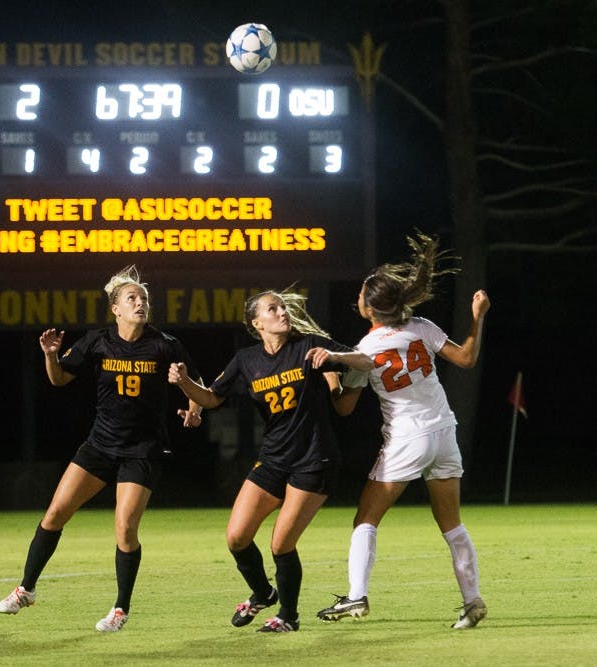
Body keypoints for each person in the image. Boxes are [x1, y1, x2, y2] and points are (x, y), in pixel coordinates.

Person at [0, 265, 203, 633]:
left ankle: (120, 609)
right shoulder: (97, 341)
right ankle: (26, 589)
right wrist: (50, 355)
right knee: (56, 512)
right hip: (100, 445)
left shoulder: (164, 343)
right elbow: (59, 378)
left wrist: (194, 409)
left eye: (143, 299)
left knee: (125, 528)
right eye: (132, 299)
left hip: (142, 450)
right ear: (116, 309)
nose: (140, 303)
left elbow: (195, 383)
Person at [168, 289, 373, 633]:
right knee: (236, 537)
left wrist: (339, 359)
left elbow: (366, 361)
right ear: (256, 322)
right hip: (274, 458)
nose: (282, 312)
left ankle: (289, 617)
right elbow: (211, 398)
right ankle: (263, 593)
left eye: (282, 306)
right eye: (272, 308)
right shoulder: (247, 360)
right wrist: (184, 383)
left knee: (281, 543)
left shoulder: (308, 345)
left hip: (314, 458)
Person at [315, 232, 491, 629]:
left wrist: (332, 371)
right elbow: (465, 358)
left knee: (365, 519)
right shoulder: (423, 327)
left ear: (371, 307)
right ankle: (472, 600)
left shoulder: (369, 344)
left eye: (361, 294)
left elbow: (344, 405)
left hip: (407, 439)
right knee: (452, 524)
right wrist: (477, 317)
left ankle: (356, 598)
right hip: (445, 434)